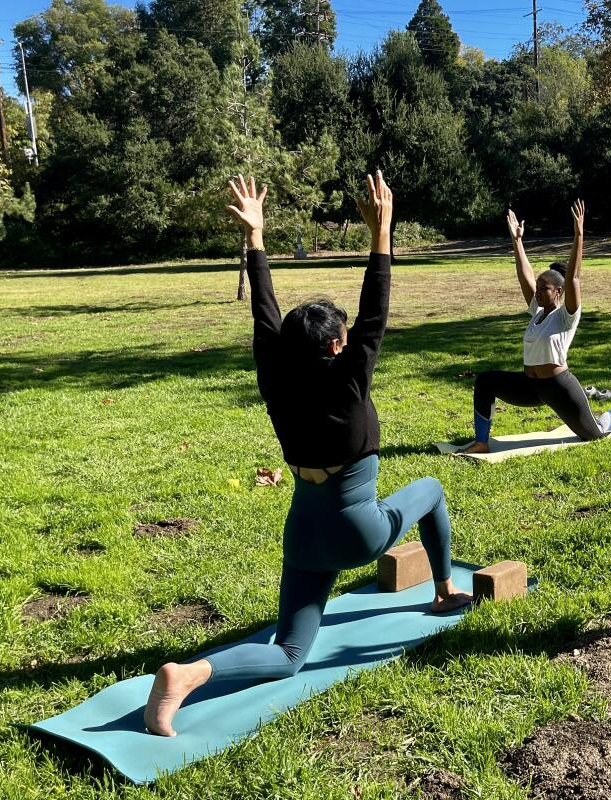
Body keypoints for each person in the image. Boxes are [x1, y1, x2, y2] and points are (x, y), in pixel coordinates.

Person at [144, 172, 472, 737]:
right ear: (338, 346)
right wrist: (381, 233)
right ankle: (443, 592)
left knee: (290, 653)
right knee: (433, 490)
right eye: (348, 337)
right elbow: (375, 313)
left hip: (303, 537)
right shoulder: (348, 379)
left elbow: (265, 313)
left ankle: (189, 674)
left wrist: (256, 239)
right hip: (358, 532)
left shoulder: (275, 377)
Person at [459, 202, 611, 454]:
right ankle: (481, 441)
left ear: (558, 292)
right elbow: (524, 276)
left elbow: (574, 278)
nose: (538, 291)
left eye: (544, 289)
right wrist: (517, 241)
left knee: (596, 434)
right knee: (485, 381)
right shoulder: (537, 311)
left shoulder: (566, 316)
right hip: (530, 386)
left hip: (559, 387)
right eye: (538, 287)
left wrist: (579, 234)